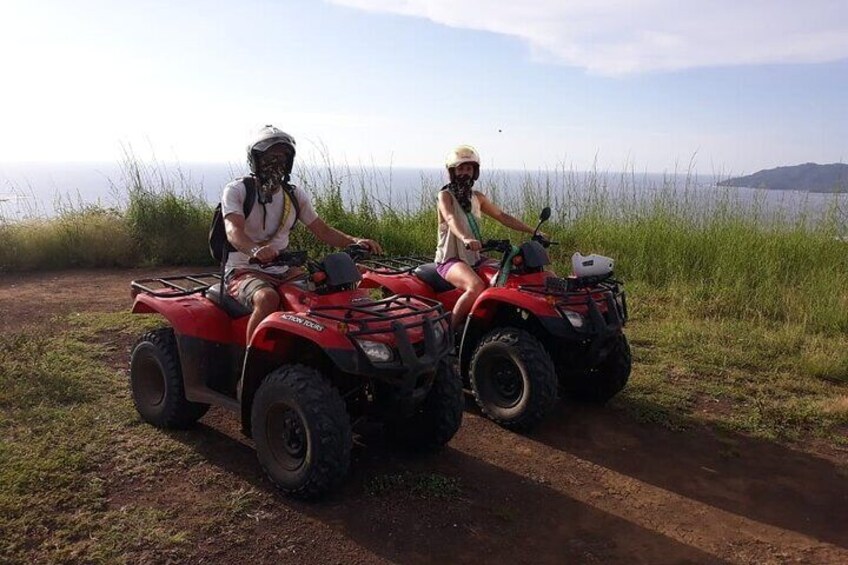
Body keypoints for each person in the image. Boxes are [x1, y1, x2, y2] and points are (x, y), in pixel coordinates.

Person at [223, 125, 382, 341]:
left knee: (326, 291)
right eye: (270, 156)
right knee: (267, 298)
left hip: (285, 269)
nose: (277, 161)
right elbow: (234, 231)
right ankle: (251, 363)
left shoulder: (294, 195)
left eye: (282, 156)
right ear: (256, 159)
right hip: (244, 270)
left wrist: (354, 241)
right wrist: (256, 250)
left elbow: (322, 230)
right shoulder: (238, 190)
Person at [435, 145, 541, 330]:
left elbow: (502, 216)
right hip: (450, 259)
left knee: (506, 277)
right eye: (460, 169)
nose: (465, 173)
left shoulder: (477, 198)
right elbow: (450, 218)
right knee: (475, 286)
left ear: (475, 172)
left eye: (468, 169)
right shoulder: (445, 196)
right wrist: (466, 238)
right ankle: (448, 334)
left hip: (473, 257)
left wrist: (532, 231)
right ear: (452, 171)